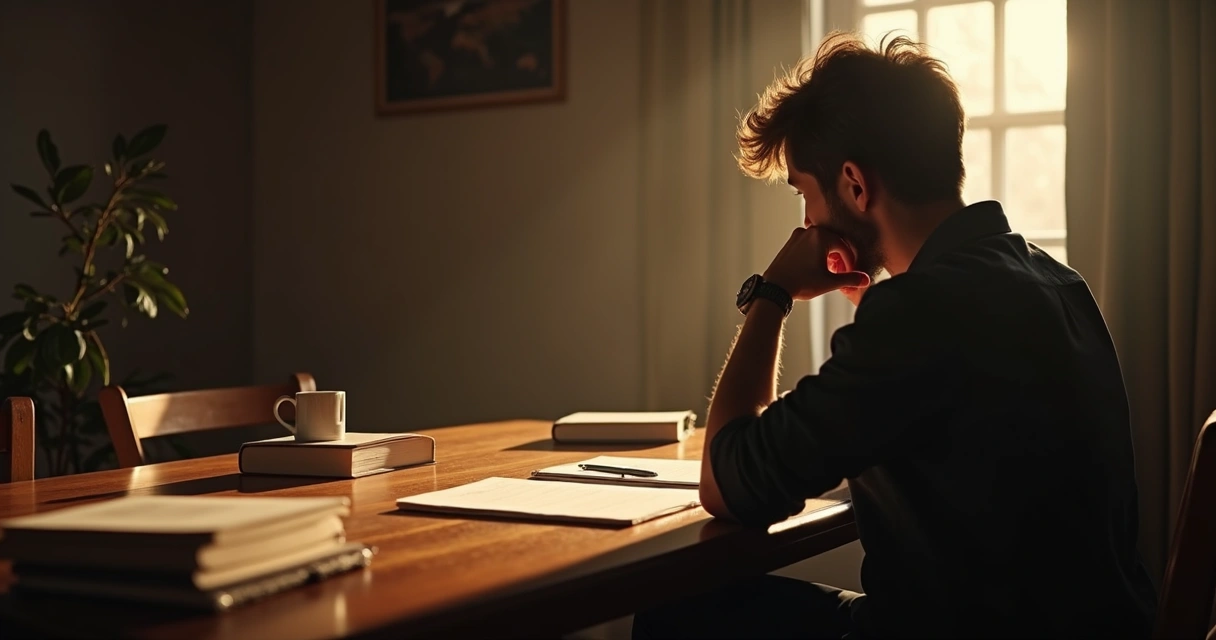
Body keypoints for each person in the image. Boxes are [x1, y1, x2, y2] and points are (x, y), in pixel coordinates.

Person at [632, 32, 1158, 639]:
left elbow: (728, 483)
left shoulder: (921, 316)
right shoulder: (1057, 284)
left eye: (805, 193)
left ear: (855, 185)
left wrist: (771, 294)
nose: (806, 223)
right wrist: (880, 310)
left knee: (673, 613)